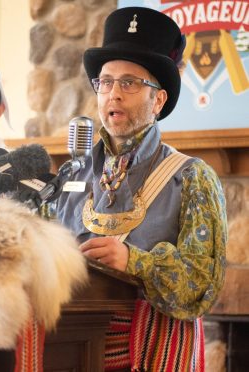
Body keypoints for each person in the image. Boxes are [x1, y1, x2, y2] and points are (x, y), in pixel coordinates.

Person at [56, 6, 227, 371]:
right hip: (71, 353)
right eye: (105, 81)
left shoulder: (194, 178)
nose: (113, 94)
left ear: (158, 100)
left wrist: (134, 262)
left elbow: (203, 284)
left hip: (151, 357)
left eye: (130, 82)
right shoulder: (72, 173)